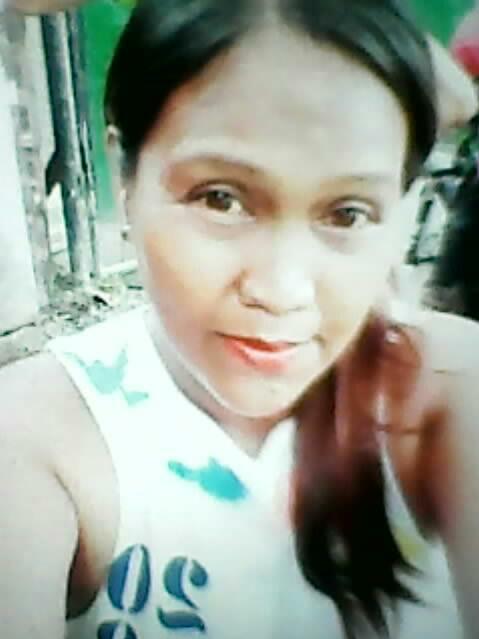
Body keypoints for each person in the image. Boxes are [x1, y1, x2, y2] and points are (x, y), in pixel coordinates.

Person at [1, 1, 479, 639]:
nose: (281, 292)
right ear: (124, 176)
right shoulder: (40, 438)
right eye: (221, 200)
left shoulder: (450, 389)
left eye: (347, 214)